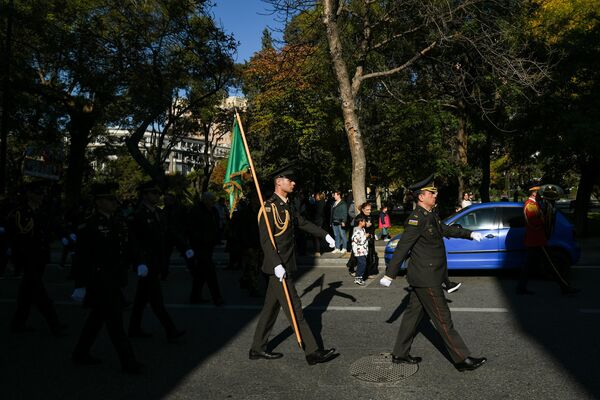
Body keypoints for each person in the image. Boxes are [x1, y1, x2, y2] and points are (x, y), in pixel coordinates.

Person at [379, 175, 487, 372]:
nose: (435, 195)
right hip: (427, 277)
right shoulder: (415, 219)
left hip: (427, 275)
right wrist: (390, 274)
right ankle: (462, 359)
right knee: (443, 318)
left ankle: (400, 354)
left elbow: (444, 229)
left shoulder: (430, 215)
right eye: (432, 193)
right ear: (421, 197)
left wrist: (469, 234)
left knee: (412, 316)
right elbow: (403, 246)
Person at [249, 166, 338, 365]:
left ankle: (257, 348)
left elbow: (303, 223)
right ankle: (312, 352)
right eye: (289, 179)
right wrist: (276, 265)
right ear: (278, 182)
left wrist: (323, 234)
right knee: (296, 308)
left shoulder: (287, 205)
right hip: (278, 267)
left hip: (286, 264)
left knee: (270, 309)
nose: (293, 182)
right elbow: (266, 241)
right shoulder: (269, 207)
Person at [71, 183, 142, 374]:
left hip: (114, 278)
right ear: (99, 202)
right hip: (99, 280)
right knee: (115, 322)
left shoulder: (118, 222)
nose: (114, 202)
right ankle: (129, 362)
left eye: (114, 199)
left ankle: (80, 352)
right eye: (110, 200)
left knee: (96, 319)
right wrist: (80, 285)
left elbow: (130, 246)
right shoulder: (89, 225)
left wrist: (138, 263)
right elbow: (82, 258)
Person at [128, 182, 189, 341]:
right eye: (153, 193)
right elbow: (134, 241)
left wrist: (184, 247)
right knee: (156, 300)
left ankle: (133, 328)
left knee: (141, 299)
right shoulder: (138, 215)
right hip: (146, 263)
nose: (157, 196)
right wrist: (140, 262)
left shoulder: (159, 213)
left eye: (157, 193)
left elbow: (169, 232)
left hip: (156, 261)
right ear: (145, 195)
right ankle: (171, 330)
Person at [7, 181, 65, 335]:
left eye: (43, 193)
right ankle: (54, 324)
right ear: (30, 194)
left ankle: (18, 323)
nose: (42, 195)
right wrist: (12, 257)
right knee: (39, 292)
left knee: (27, 291)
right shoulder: (20, 213)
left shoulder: (43, 211)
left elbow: (52, 228)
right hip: (27, 257)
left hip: (41, 255)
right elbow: (15, 237)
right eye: (39, 193)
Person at [516, 184, 579, 296]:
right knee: (552, 264)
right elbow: (533, 223)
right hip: (537, 240)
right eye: (539, 193)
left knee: (529, 265)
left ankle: (521, 287)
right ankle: (565, 287)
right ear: (534, 193)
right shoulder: (531, 205)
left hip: (536, 240)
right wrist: (546, 218)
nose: (541, 195)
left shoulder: (535, 204)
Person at [187, 191, 224, 305]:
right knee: (210, 271)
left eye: (213, 200)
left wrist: (216, 237)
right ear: (204, 200)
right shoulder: (196, 211)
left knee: (200, 273)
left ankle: (195, 296)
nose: (213, 202)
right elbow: (191, 228)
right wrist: (199, 240)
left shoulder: (213, 211)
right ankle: (216, 297)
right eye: (211, 200)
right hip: (199, 245)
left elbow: (215, 225)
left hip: (209, 244)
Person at [351, 215, 369, 285]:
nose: (365, 222)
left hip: (363, 250)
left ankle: (358, 277)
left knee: (361, 263)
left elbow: (363, 239)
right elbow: (357, 240)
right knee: (362, 263)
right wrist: (365, 236)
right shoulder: (357, 230)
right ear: (360, 222)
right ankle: (358, 277)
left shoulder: (363, 229)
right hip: (359, 250)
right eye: (364, 221)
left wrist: (366, 236)